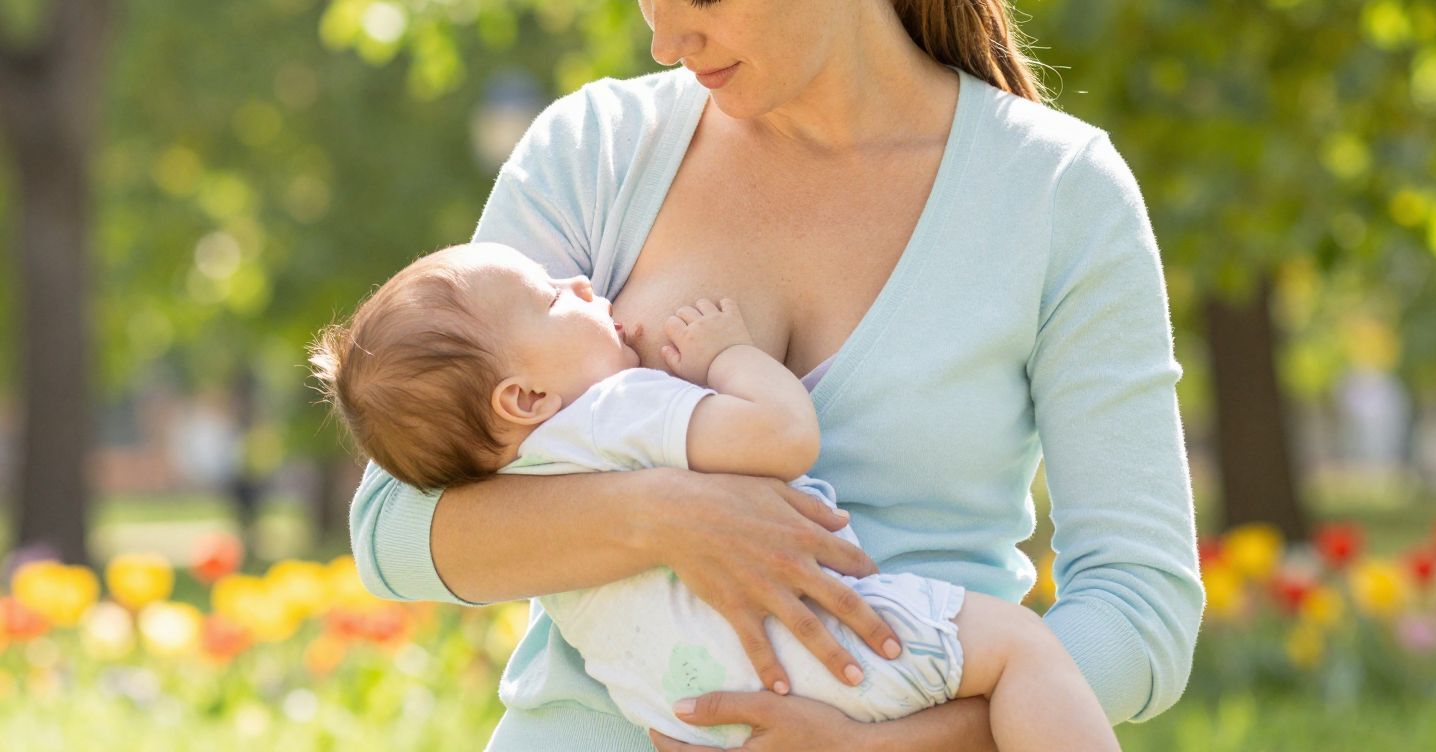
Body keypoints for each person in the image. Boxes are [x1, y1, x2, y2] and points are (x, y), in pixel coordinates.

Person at [347, 0, 1202, 751]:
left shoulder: (1055, 193)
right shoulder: (593, 153)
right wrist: (665, 516)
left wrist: (889, 745)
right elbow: (394, 530)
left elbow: (1142, 609)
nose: (667, 39)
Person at [313, 242, 1117, 752]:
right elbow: (779, 438)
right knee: (1021, 650)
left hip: (700, 715)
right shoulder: (620, 409)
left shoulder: (509, 492)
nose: (581, 280)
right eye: (555, 298)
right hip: (829, 650)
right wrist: (731, 355)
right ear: (523, 398)